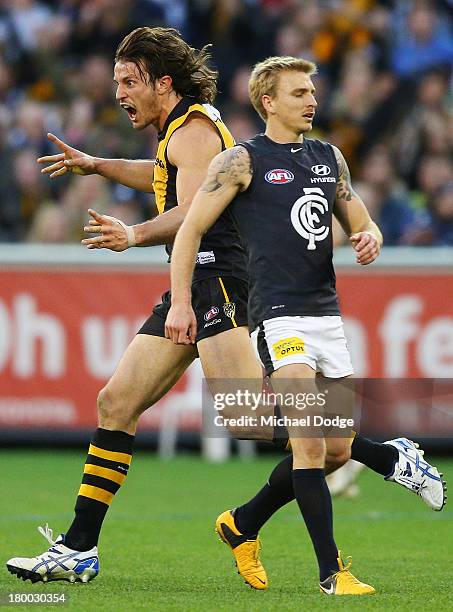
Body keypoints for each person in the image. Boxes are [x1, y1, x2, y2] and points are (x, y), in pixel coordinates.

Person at [7, 32, 445, 591]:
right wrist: (97, 165)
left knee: (251, 420)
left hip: (217, 282)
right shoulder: (182, 131)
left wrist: (138, 238)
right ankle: (79, 547)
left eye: (128, 81)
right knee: (115, 401)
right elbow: (166, 178)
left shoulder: (192, 130)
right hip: (198, 282)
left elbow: (192, 209)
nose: (119, 93)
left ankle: (385, 455)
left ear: (161, 82)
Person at [165, 55, 446, 596]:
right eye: (299, 92)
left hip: (326, 318)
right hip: (277, 316)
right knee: (311, 446)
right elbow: (189, 231)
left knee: (335, 449)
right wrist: (182, 304)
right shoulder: (240, 162)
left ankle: (242, 523)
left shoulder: (328, 158)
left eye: (313, 91)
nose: (312, 100)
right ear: (268, 101)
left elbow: (359, 217)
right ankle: (331, 572)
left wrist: (371, 235)